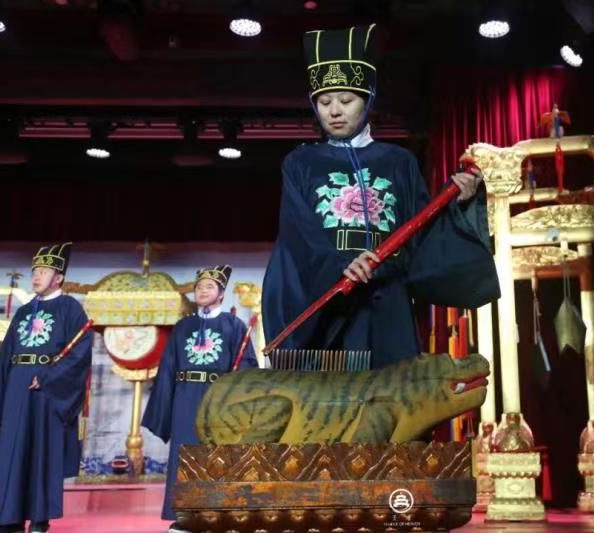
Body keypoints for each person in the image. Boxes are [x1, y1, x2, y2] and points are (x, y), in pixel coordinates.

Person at [262, 25, 500, 368]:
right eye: (324, 102)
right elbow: (298, 235)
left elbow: (422, 234)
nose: (334, 111)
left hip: (387, 298)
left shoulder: (398, 162)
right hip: (330, 298)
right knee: (332, 395)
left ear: (368, 99)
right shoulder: (301, 163)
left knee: (391, 394)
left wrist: (458, 204)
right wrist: (339, 267)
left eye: (346, 100)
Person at [142, 265, 258, 533]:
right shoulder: (183, 326)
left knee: (216, 455)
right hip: (185, 397)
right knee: (183, 454)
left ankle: (215, 513)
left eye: (209, 287)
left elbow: (246, 368)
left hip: (216, 400)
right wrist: (165, 403)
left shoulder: (234, 325)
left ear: (221, 293)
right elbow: (168, 366)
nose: (202, 291)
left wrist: (234, 401)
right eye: (198, 287)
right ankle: (183, 516)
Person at [0, 243, 93, 533]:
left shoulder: (71, 309)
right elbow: (6, 355)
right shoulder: (24, 311)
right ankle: (10, 519)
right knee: (12, 451)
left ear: (58, 277)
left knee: (40, 453)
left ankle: (39, 518)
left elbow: (79, 354)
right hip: (17, 385)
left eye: (44, 271)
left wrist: (49, 377)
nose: (36, 276)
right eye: (35, 271)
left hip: (46, 391)